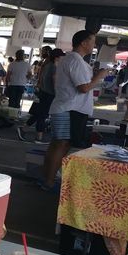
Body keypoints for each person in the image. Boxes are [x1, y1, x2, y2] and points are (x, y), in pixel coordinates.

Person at [40, 31, 107, 191]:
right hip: (69, 108)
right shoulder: (75, 61)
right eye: (93, 41)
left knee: (57, 144)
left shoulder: (70, 59)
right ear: (83, 43)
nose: (94, 45)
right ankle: (49, 182)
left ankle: (47, 179)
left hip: (65, 107)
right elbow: (83, 87)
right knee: (62, 144)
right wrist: (99, 76)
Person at [20, 46, 59, 143]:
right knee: (42, 115)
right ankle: (38, 137)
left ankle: (25, 129)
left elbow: (41, 79)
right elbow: (54, 81)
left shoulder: (45, 64)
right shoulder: (53, 66)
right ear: (57, 57)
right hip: (48, 93)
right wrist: (58, 92)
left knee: (39, 114)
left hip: (43, 92)